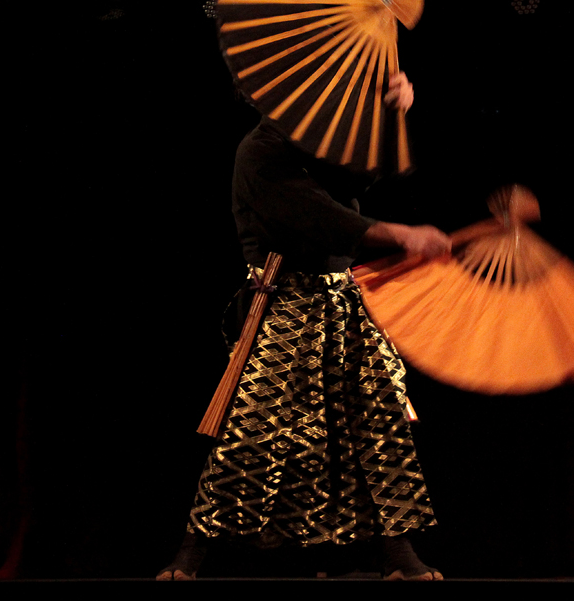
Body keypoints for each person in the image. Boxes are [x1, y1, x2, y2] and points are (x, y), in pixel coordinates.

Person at [158, 74, 448, 581]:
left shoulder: (312, 145)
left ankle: (397, 555)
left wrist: (389, 113)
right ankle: (192, 556)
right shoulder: (259, 153)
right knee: (254, 432)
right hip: (287, 307)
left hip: (343, 302)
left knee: (377, 424)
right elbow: (321, 216)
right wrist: (400, 233)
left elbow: (357, 177)